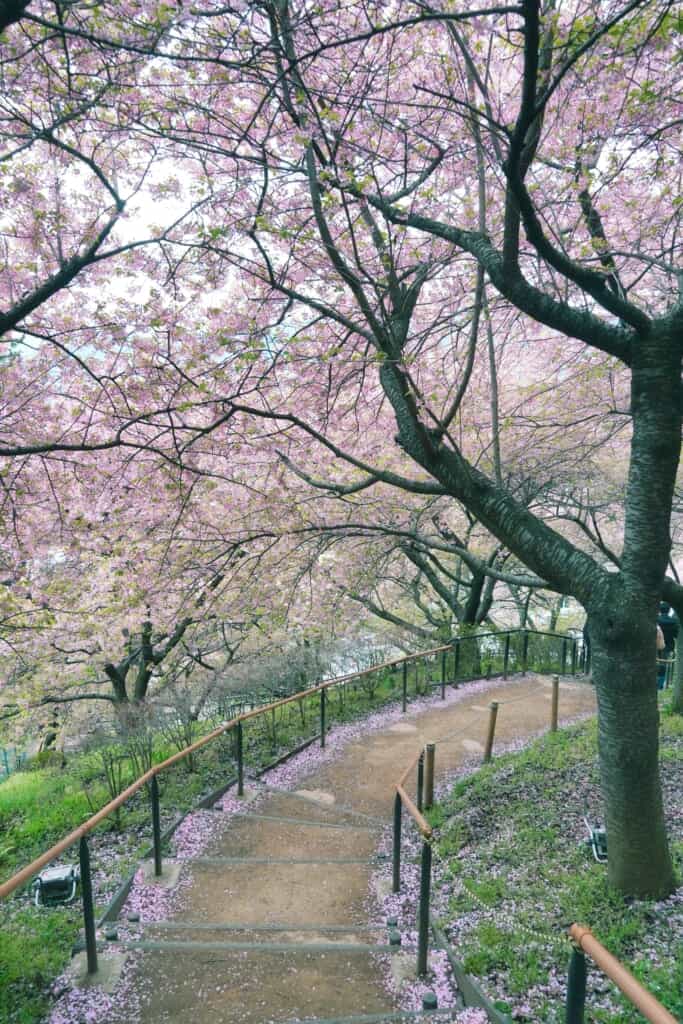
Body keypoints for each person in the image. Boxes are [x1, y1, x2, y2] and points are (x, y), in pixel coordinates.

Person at [656, 602, 678, 689]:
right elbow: (676, 635)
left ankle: (657, 684)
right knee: (665, 665)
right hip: (668, 647)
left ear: (660, 610)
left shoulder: (656, 620)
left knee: (656, 664)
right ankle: (662, 685)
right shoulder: (674, 622)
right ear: (669, 611)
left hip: (656, 645)